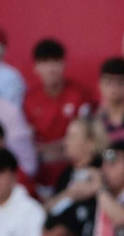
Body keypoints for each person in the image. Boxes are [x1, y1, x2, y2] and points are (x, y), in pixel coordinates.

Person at [25, 39, 94, 167]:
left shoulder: (80, 95)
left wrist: (52, 149)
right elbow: (28, 140)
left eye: (55, 61)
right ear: (35, 67)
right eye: (44, 62)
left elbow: (86, 135)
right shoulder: (29, 99)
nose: (51, 69)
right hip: (41, 171)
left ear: (64, 64)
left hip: (75, 167)